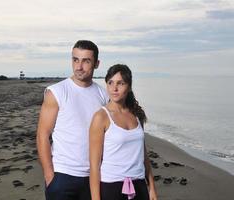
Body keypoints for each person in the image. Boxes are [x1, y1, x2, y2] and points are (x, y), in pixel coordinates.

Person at [36, 40, 108, 200]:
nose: (79, 66)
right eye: (75, 59)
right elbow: (42, 135)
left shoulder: (104, 95)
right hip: (62, 176)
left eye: (86, 61)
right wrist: (50, 177)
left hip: (94, 176)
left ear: (97, 63)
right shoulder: (56, 92)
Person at [89, 64, 157, 200]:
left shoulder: (137, 115)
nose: (114, 88)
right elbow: (94, 165)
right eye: (110, 83)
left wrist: (152, 188)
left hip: (139, 185)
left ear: (129, 86)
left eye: (121, 83)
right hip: (112, 187)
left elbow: (143, 156)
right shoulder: (101, 117)